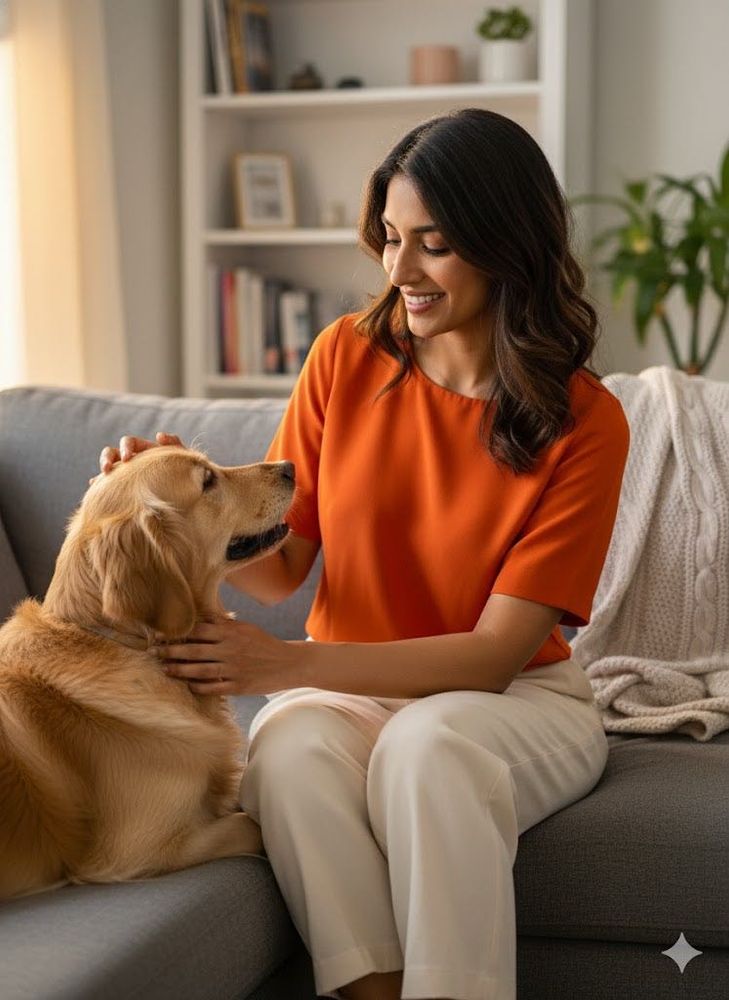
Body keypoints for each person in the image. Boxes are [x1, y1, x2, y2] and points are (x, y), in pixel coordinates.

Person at [100, 108, 629, 1000]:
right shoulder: (344, 358)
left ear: (506, 245)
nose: (399, 270)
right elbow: (277, 565)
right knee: (290, 748)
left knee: (427, 747)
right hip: (346, 693)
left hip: (513, 700)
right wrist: (180, 501)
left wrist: (285, 660)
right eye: (388, 237)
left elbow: (497, 656)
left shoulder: (584, 419)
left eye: (433, 243)